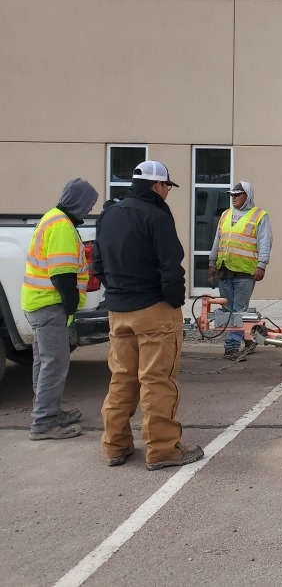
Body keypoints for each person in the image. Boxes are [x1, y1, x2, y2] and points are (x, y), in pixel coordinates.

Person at [92, 160, 203, 470]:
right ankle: (163, 450)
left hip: (118, 310)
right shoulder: (157, 216)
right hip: (154, 309)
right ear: (157, 186)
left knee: (122, 379)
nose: (168, 192)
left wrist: (115, 290)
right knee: (158, 380)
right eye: (167, 186)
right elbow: (171, 267)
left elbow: (97, 263)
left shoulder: (109, 214)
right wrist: (174, 302)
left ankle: (115, 446)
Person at [21, 178, 99, 440]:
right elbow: (62, 276)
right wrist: (69, 307)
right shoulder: (62, 226)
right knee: (54, 364)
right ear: (78, 201)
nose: (89, 209)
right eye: (88, 204)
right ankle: (44, 423)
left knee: (44, 362)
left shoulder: (52, 218)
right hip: (49, 304)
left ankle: (49, 412)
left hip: (37, 303)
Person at [207, 181, 272, 360]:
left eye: (237, 194)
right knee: (228, 310)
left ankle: (231, 347)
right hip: (225, 271)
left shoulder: (260, 216)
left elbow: (265, 242)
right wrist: (212, 262)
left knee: (237, 311)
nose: (233, 197)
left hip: (245, 273)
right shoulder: (226, 215)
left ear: (247, 196)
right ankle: (248, 340)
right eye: (232, 195)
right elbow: (217, 240)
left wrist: (261, 265)